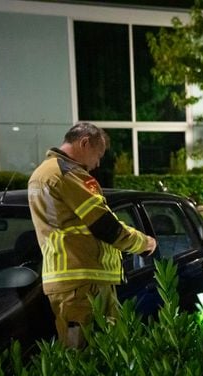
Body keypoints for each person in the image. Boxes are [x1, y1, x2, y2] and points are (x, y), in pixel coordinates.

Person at [28, 122, 157, 348]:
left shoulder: (48, 172)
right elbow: (104, 225)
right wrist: (143, 242)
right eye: (98, 155)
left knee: (91, 355)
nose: (97, 164)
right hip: (81, 282)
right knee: (87, 359)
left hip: (76, 280)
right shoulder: (66, 173)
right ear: (84, 142)